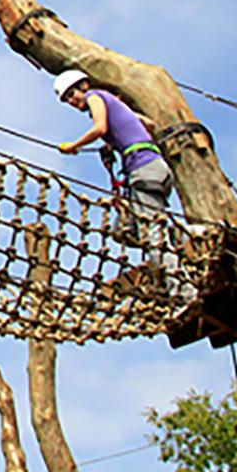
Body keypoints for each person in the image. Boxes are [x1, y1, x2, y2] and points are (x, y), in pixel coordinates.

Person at [54, 68, 193, 302]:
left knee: (153, 236)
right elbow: (148, 124)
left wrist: (74, 146)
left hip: (143, 169)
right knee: (123, 229)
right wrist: (118, 139)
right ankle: (181, 236)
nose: (72, 101)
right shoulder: (117, 105)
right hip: (155, 167)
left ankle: (184, 293)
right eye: (67, 99)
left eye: (72, 94)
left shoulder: (94, 96)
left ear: (83, 86)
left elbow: (100, 128)